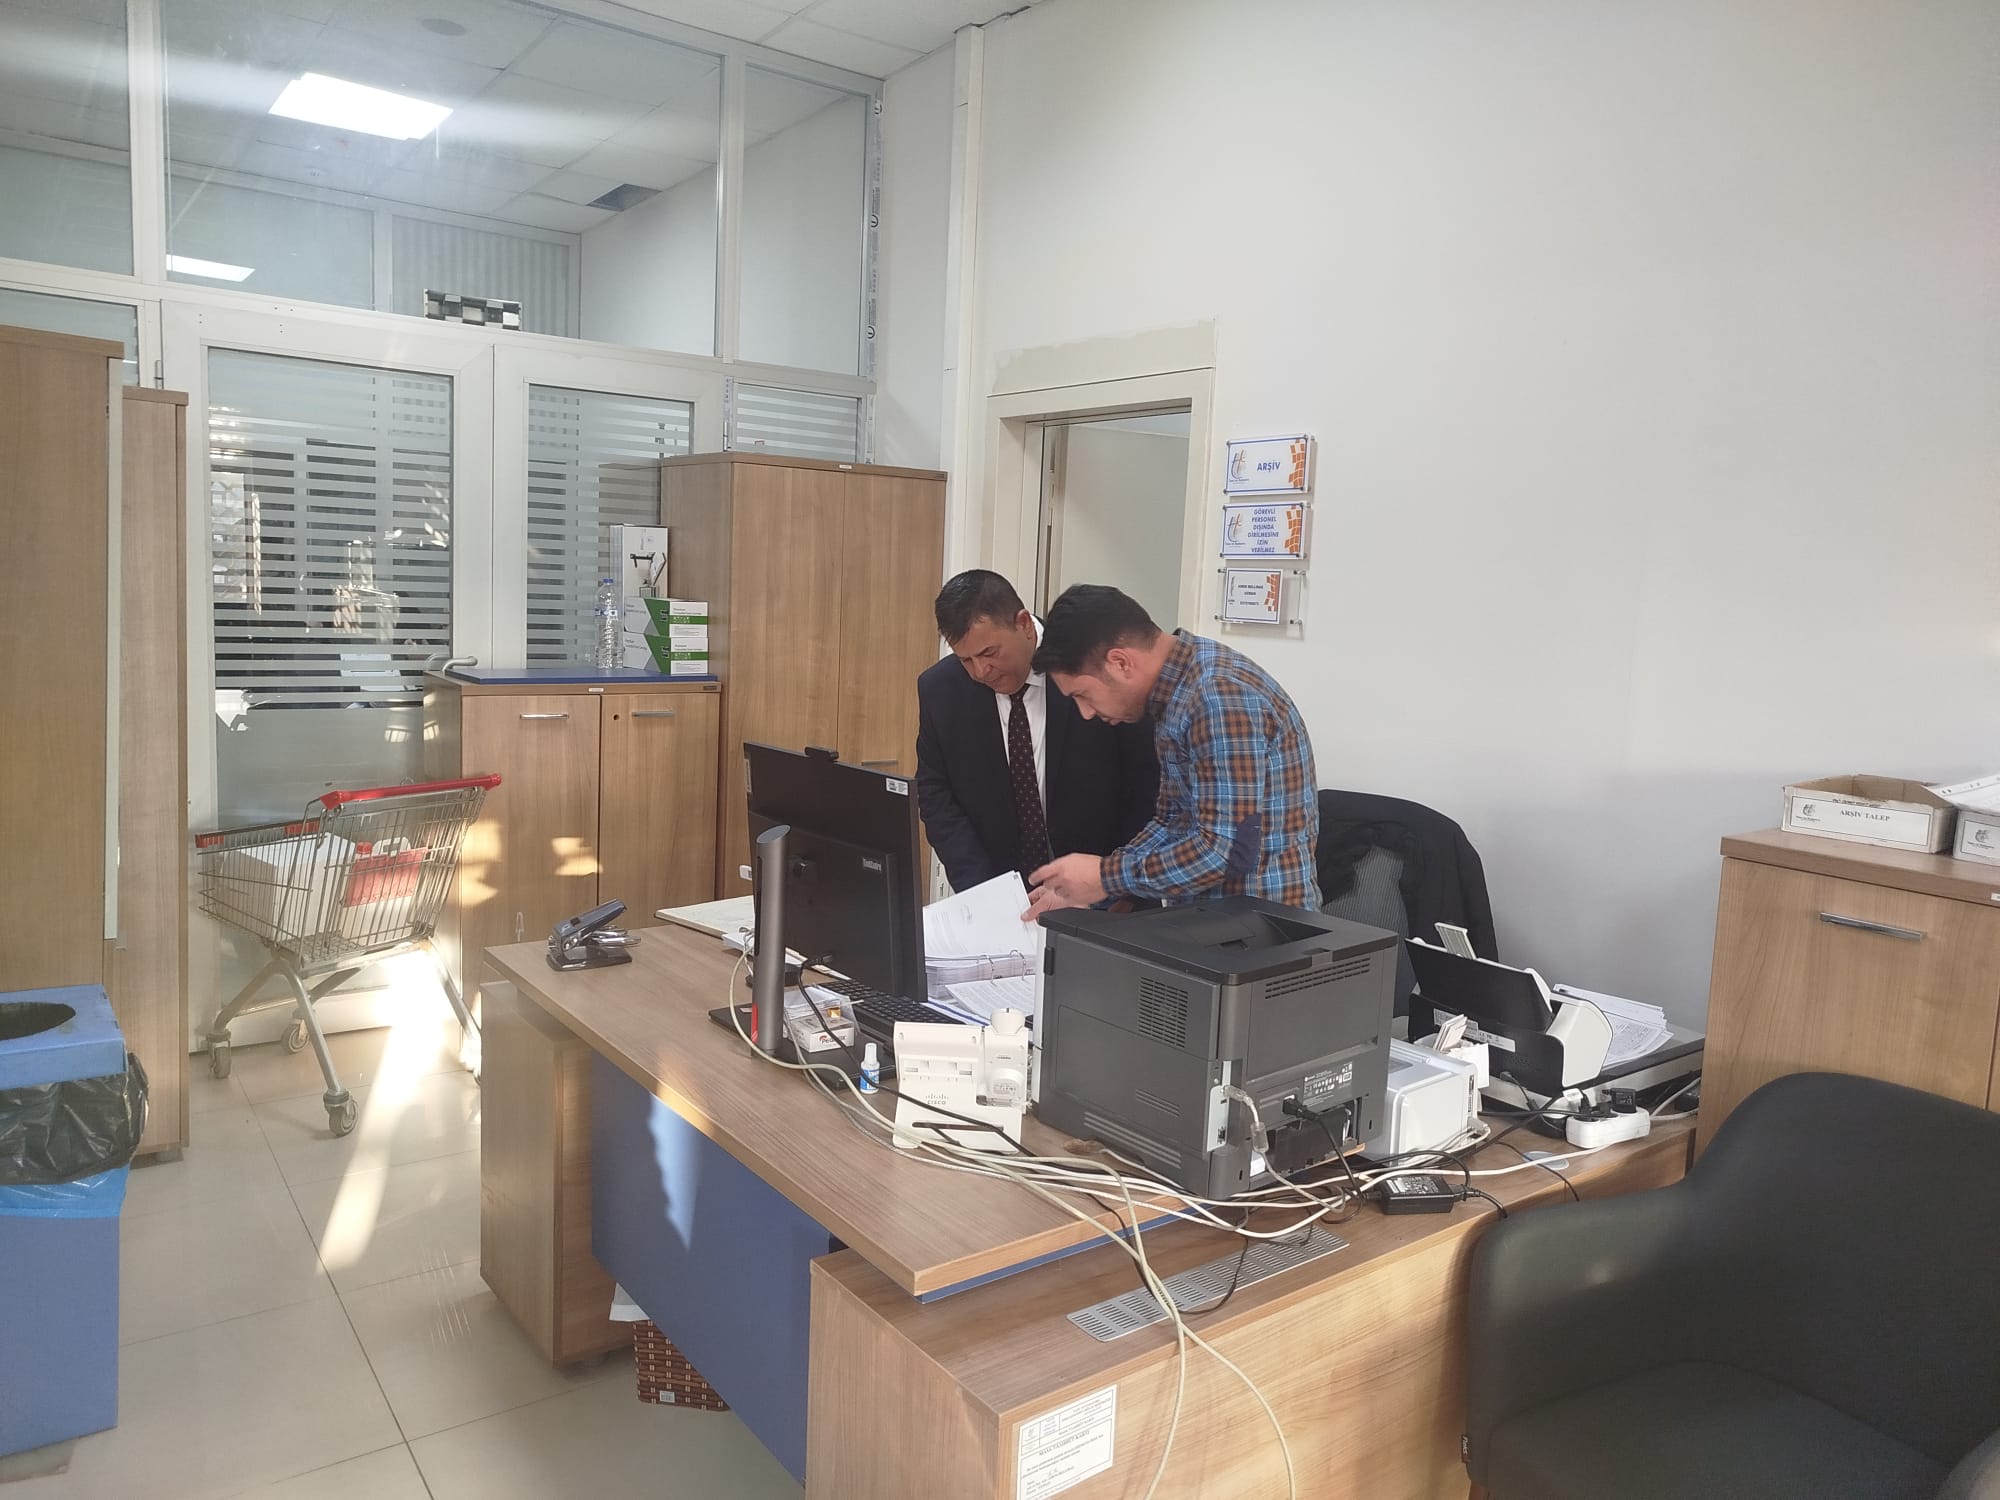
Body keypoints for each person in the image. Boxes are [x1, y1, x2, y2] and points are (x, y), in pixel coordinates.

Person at [1025, 584, 1320, 913]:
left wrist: (1106, 877)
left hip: (1262, 927)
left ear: (1120, 662)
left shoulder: (1217, 695)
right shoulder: (1177, 693)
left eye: (1083, 694)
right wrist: (1086, 889)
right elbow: (1172, 822)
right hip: (1211, 921)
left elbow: (1225, 850)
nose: (1086, 713)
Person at [915, 570, 1158, 893]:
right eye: (966, 660)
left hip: (1106, 892)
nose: (980, 671)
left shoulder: (1089, 660)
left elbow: (1146, 782)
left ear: (1024, 624)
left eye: (989, 653)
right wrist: (984, 891)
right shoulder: (941, 689)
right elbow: (936, 794)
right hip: (1003, 894)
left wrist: (1117, 883)